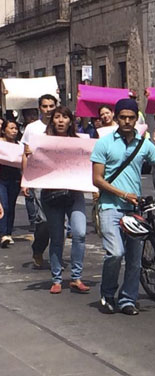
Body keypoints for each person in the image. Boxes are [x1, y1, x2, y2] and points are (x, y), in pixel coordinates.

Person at [91, 98, 155, 315]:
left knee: (135, 259)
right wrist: (123, 193)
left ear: (137, 119)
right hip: (110, 206)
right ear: (116, 118)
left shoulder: (145, 145)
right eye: (123, 117)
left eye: (131, 117)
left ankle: (128, 299)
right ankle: (108, 294)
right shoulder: (104, 143)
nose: (127, 121)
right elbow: (97, 179)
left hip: (135, 211)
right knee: (115, 253)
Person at [27, 107, 90, 294]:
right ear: (52, 120)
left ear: (71, 121)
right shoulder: (42, 142)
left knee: (79, 233)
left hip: (74, 194)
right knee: (57, 237)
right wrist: (31, 154)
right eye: (57, 117)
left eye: (65, 117)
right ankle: (57, 278)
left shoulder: (80, 142)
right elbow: (33, 163)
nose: (61, 121)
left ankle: (76, 277)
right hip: (51, 195)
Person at [21, 94, 58, 268]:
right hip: (39, 178)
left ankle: (56, 258)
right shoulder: (32, 128)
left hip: (59, 178)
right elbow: (25, 154)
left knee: (60, 222)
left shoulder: (61, 125)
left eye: (52, 106)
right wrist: (25, 179)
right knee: (43, 220)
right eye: (45, 106)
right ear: (39, 108)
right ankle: (38, 248)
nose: (48, 109)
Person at [0, 120, 22, 248]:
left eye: (16, 128)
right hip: (1, 179)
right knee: (4, 206)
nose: (14, 131)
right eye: (11, 128)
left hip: (14, 179)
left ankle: (8, 233)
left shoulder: (19, 145)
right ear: (4, 130)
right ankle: (3, 233)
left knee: (11, 206)